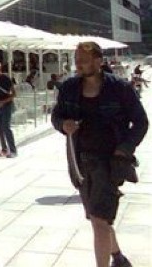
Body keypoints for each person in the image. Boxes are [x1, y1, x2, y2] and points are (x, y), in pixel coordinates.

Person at [52, 41, 148, 267]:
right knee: (97, 219)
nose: (79, 65)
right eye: (76, 61)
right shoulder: (69, 88)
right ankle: (118, 257)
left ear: (99, 61)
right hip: (81, 161)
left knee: (98, 220)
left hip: (110, 162)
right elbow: (57, 116)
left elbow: (142, 123)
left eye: (84, 61)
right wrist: (63, 124)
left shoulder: (120, 88)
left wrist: (124, 148)